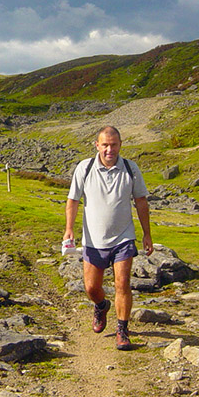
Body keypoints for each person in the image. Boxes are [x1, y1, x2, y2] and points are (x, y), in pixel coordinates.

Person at [63, 126, 153, 350]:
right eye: (105, 145)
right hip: (93, 239)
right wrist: (69, 228)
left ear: (120, 145)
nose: (109, 149)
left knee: (122, 282)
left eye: (113, 145)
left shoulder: (131, 169)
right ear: (97, 145)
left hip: (123, 237)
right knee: (91, 288)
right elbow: (73, 200)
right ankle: (102, 306)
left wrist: (147, 234)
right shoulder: (85, 168)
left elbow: (141, 201)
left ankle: (122, 330)